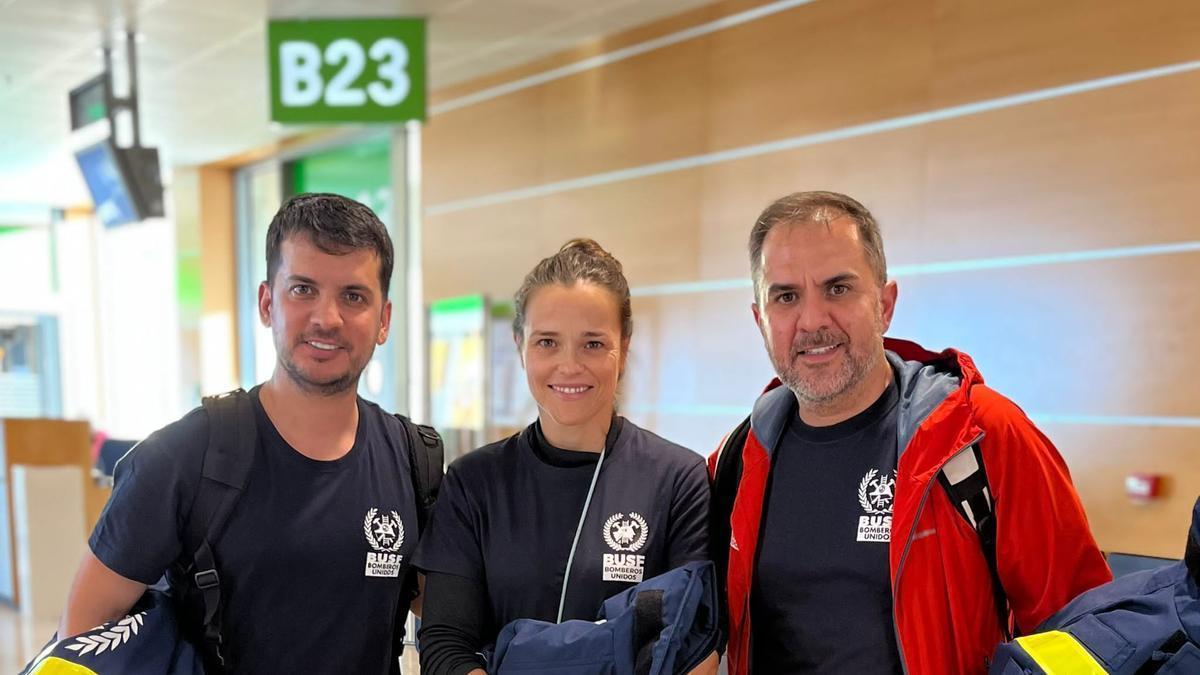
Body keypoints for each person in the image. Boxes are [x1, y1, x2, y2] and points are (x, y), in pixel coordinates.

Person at [709, 191, 1112, 674]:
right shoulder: (738, 458)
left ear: (884, 304)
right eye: (786, 296)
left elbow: (1086, 634)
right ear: (760, 319)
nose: (812, 321)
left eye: (838, 288)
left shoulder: (980, 435)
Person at [59, 193, 429, 674]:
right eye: (303, 289)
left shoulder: (412, 459)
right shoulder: (182, 459)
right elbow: (82, 634)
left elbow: (447, 615)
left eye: (353, 296)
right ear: (266, 302)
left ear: (383, 320)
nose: (327, 318)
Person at [414, 239, 713, 675]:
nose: (569, 366)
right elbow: (445, 645)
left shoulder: (677, 479)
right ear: (520, 345)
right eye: (547, 342)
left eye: (593, 344)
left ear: (624, 348)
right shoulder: (474, 481)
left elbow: (694, 649)